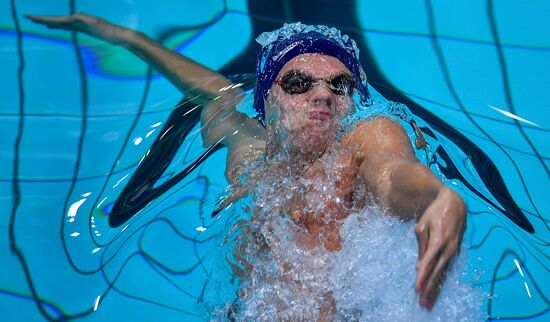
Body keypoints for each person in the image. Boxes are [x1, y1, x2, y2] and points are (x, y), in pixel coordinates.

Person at [26, 13, 467, 312]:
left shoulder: (366, 138)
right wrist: (127, 37)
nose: (322, 94)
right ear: (268, 101)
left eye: (340, 84)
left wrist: (436, 199)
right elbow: (211, 90)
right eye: (297, 82)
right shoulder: (247, 146)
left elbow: (394, 173)